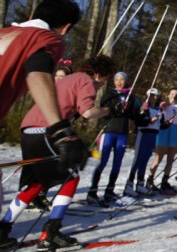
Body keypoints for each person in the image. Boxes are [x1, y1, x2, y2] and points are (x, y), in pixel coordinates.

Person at [0, 55, 117, 251]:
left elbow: (70, 108)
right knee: (70, 178)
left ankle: (3, 229)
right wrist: (109, 110)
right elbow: (88, 111)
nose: (100, 86)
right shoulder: (86, 80)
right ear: (97, 74)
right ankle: (51, 233)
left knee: (37, 183)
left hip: (29, 130)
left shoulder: (70, 79)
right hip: (45, 130)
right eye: (103, 81)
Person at [0, 0, 86, 211]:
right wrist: (60, 129)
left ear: (32, 15)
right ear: (65, 28)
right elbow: (37, 73)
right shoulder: (45, 38)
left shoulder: (5, 32)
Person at [87, 72, 142, 205]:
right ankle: (92, 192)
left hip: (122, 133)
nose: (119, 82)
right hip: (109, 131)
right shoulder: (109, 94)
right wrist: (114, 107)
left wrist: (141, 110)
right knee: (103, 161)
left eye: (122, 80)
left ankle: (109, 190)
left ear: (126, 81)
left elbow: (134, 115)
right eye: (116, 79)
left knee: (117, 163)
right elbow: (102, 110)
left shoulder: (130, 96)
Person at [146, 89, 177, 193]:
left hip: (175, 131)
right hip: (164, 130)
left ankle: (165, 181)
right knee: (159, 157)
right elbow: (164, 106)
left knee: (171, 159)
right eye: (172, 94)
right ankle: (149, 180)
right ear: (168, 95)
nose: (174, 95)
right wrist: (171, 101)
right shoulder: (164, 103)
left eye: (176, 94)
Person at [124, 88, 164, 196]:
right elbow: (138, 121)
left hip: (153, 135)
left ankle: (140, 184)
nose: (155, 97)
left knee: (145, 159)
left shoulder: (159, 109)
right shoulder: (144, 107)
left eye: (156, 95)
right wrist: (149, 120)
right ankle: (129, 184)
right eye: (152, 95)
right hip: (143, 133)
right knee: (138, 159)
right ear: (148, 96)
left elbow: (162, 124)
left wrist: (167, 123)